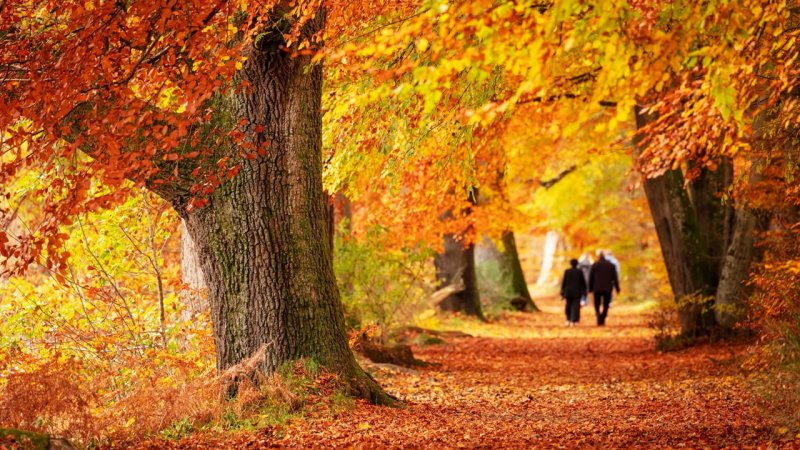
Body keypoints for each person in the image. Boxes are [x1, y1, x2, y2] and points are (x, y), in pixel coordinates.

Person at [589, 251, 620, 326]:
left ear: (598, 256)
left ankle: (598, 314)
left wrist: (590, 288)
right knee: (606, 304)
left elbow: (591, 278)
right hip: (607, 288)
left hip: (597, 288)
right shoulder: (611, 265)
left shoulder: (594, 265)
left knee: (597, 303)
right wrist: (617, 288)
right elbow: (615, 278)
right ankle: (603, 316)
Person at [560, 258, 587, 326]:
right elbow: (583, 282)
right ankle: (574, 320)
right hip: (577, 292)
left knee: (568, 306)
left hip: (568, 292)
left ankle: (568, 319)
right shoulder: (579, 272)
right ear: (577, 264)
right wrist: (584, 291)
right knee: (576, 306)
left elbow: (564, 282)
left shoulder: (567, 271)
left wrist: (562, 292)